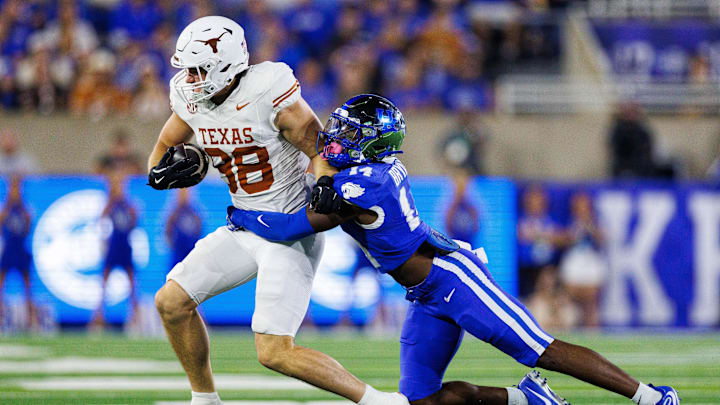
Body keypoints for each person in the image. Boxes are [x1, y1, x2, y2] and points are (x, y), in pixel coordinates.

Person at [227, 94, 680, 405]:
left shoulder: (366, 184)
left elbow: (290, 226)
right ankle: (525, 399)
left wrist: (242, 213)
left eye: (349, 133)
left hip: (452, 279)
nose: (336, 138)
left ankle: (651, 395)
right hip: (424, 293)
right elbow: (325, 174)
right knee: (422, 400)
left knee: (542, 349)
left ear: (372, 142)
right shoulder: (376, 170)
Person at [146, 16, 407, 405]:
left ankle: (378, 401)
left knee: (273, 351)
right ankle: (204, 400)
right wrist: (159, 171)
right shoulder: (189, 97)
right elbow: (166, 143)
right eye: (189, 70)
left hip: (289, 229)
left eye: (201, 70)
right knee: (170, 302)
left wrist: (323, 183)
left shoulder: (267, 90)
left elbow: (319, 147)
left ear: (226, 65)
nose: (192, 79)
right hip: (244, 225)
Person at [90, 174, 138, 330]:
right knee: (104, 284)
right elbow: (102, 218)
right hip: (113, 246)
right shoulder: (111, 204)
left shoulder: (128, 204)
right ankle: (98, 317)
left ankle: (135, 317)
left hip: (125, 246)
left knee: (132, 285)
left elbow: (135, 220)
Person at [558, 192, 606, 328]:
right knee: (569, 299)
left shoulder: (595, 221)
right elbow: (560, 239)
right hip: (574, 261)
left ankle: (593, 330)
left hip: (590, 261)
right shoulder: (568, 221)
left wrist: (590, 227)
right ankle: (570, 330)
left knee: (591, 303)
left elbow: (603, 238)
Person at [0, 176, 35, 329]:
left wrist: (19, 204)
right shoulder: (5, 209)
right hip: (8, 251)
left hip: (21, 251)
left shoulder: (25, 209)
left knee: (27, 287)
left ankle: (31, 320)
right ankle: (2, 318)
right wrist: (8, 204)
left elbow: (27, 227)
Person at [165, 188, 203, 270]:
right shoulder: (174, 213)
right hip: (178, 249)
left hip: (190, 248)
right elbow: (168, 229)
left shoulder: (194, 212)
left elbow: (199, 229)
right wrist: (171, 242)